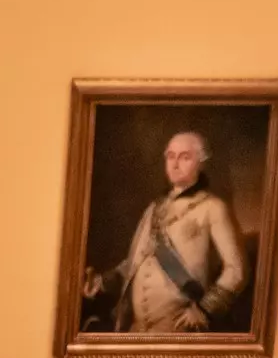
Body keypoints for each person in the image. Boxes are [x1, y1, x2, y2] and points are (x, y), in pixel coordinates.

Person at [83, 131, 249, 335]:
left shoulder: (213, 208)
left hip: (180, 329)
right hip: (136, 330)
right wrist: (103, 283)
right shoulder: (154, 209)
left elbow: (236, 270)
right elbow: (134, 261)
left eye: (185, 157)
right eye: (171, 156)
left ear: (202, 162)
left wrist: (205, 310)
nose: (175, 163)